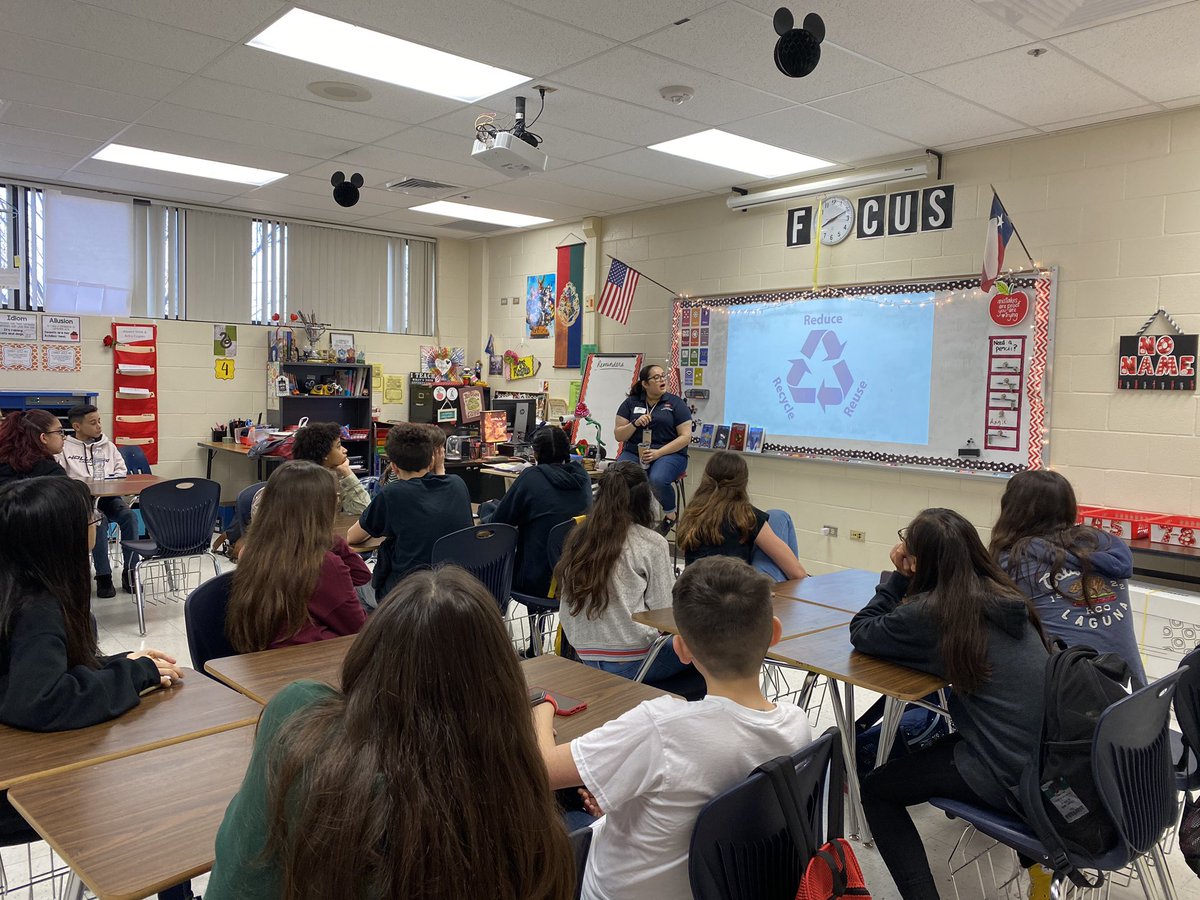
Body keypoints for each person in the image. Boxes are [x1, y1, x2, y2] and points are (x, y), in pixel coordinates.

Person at [207, 567, 575, 900]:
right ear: (501, 686)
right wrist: (535, 720)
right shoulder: (510, 814)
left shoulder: (298, 715)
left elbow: (239, 865)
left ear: (371, 651)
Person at [534, 556, 812, 900]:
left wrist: (542, 708)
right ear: (775, 632)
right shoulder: (797, 725)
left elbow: (540, 770)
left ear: (680, 648)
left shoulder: (661, 728)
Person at [0, 477, 190, 898]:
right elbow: (39, 699)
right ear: (60, 537)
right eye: (91, 517)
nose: (98, 522)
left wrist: (120, 663)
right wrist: (135, 675)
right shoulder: (37, 608)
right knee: (161, 789)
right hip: (15, 794)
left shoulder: (13, 587)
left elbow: (34, 671)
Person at [849, 508, 1049, 900]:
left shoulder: (936, 612)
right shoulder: (1005, 594)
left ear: (918, 560)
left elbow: (864, 631)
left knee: (876, 789)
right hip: (1047, 759)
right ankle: (1039, 872)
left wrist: (896, 580)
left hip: (1008, 772)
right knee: (935, 752)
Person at [990, 469, 1146, 684]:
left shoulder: (1014, 560)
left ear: (1011, 509)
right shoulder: (1104, 544)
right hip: (1135, 692)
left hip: (1077, 694)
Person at [555, 461, 687, 683]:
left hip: (584, 655)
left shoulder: (579, 536)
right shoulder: (651, 543)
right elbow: (664, 612)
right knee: (709, 650)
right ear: (645, 499)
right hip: (634, 661)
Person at [226, 461, 369, 652]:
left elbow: (361, 576)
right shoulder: (323, 564)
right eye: (334, 499)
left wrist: (323, 536)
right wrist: (324, 532)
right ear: (321, 508)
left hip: (262, 656)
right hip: (311, 657)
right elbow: (359, 629)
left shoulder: (251, 551)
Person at [348, 423, 472, 598]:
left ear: (394, 467)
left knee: (353, 587)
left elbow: (352, 537)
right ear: (432, 460)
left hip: (406, 595)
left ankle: (383, 617)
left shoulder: (393, 494)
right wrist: (439, 469)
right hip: (453, 591)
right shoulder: (457, 484)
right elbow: (441, 488)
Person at [485, 425, 593, 597]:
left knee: (485, 566)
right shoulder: (583, 477)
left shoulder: (531, 477)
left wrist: (486, 509)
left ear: (535, 454)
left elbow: (498, 523)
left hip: (537, 581)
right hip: (576, 579)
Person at [676, 450, 807, 581]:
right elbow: (798, 573)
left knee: (774, 519)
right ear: (743, 482)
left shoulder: (692, 512)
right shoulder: (745, 515)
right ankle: (795, 590)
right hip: (737, 591)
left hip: (695, 588)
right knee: (779, 516)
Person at [56, 404, 140, 598]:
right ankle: (104, 576)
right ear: (77, 426)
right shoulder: (65, 447)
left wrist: (109, 481)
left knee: (129, 516)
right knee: (98, 521)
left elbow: (121, 471)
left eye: (99, 421)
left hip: (108, 497)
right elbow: (60, 476)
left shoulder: (107, 446)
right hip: (81, 500)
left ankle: (130, 572)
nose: (99, 426)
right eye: (93, 423)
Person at [614, 364, 691, 533]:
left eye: (663, 376)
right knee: (617, 475)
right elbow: (619, 435)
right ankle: (625, 517)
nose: (662, 379)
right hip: (635, 451)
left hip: (669, 453)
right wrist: (634, 424)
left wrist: (658, 453)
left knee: (657, 478)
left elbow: (685, 437)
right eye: (656, 377)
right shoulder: (631, 403)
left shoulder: (676, 403)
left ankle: (670, 515)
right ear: (645, 384)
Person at [286, 421, 371, 516]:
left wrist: (346, 471)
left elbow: (365, 511)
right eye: (338, 446)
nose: (345, 450)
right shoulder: (309, 485)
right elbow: (366, 512)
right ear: (324, 454)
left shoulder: (333, 475)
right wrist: (347, 472)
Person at [0, 409, 67, 486]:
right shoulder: (51, 472)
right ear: (43, 437)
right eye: (59, 432)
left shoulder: (4, 466)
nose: (64, 437)